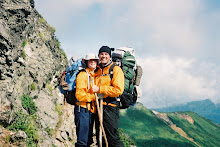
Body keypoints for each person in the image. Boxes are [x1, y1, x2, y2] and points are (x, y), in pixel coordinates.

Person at [93, 46, 125, 147]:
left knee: (112, 137)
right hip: (98, 107)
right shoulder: (97, 70)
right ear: (98, 56)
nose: (104, 56)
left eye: (106, 54)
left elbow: (118, 90)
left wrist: (100, 89)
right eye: (101, 54)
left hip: (111, 107)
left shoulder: (115, 69)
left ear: (110, 56)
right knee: (100, 136)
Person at [74, 53, 99, 147]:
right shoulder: (82, 75)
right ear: (86, 62)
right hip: (82, 109)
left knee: (88, 140)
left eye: (94, 60)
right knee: (82, 141)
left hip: (90, 110)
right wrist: (94, 97)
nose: (93, 61)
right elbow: (79, 95)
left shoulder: (93, 75)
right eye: (90, 60)